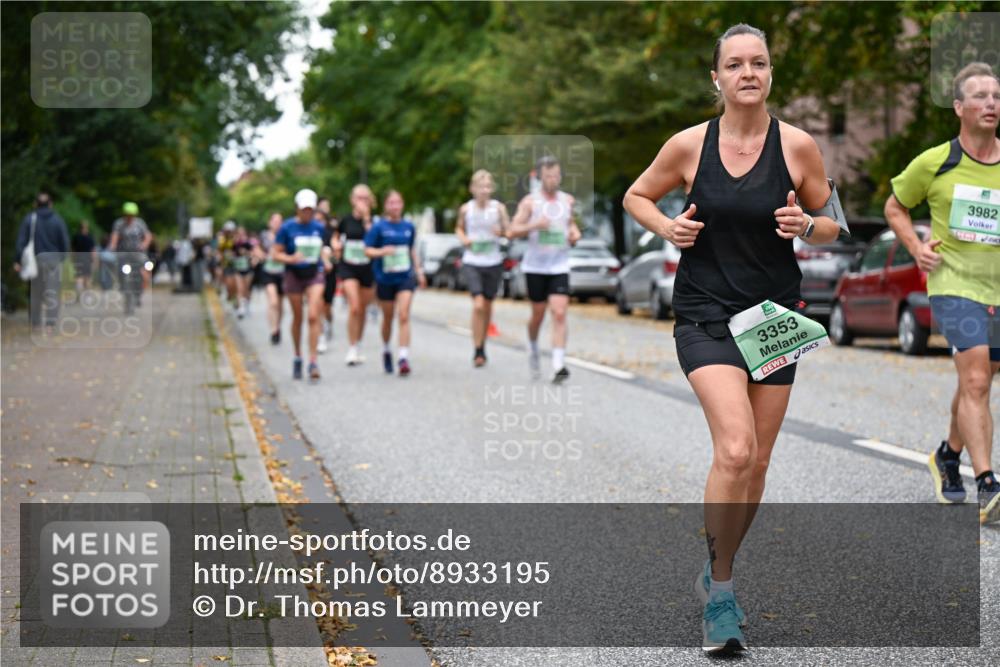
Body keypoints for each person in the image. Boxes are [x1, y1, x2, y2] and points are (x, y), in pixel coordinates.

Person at [623, 24, 845, 654]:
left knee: (759, 465)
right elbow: (636, 194)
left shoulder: (798, 147)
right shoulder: (689, 145)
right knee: (737, 448)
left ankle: (715, 569)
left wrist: (807, 224)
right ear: (715, 78)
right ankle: (721, 592)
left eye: (760, 63)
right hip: (705, 314)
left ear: (770, 74)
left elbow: (835, 225)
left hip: (774, 318)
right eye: (735, 64)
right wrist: (668, 226)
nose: (749, 73)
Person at [883, 62, 1000, 524]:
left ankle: (948, 455)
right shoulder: (936, 161)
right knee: (975, 379)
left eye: (996, 95)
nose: (991, 103)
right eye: (980, 96)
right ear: (958, 107)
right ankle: (987, 481)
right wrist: (916, 247)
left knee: (982, 377)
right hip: (953, 284)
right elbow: (895, 206)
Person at [508, 156, 582, 383]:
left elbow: (570, 226)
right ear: (539, 176)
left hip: (559, 265)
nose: (553, 179)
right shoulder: (530, 202)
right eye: (549, 175)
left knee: (559, 313)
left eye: (557, 175)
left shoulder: (567, 201)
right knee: (538, 314)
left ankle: (559, 363)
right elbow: (511, 231)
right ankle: (532, 344)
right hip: (535, 267)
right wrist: (534, 225)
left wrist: (574, 234)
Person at [364, 190, 426, 376]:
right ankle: (386, 349)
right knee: (388, 317)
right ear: (386, 205)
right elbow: (367, 251)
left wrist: (419, 271)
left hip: (405, 276)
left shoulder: (409, 226)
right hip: (385, 278)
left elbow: (411, 250)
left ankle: (403, 357)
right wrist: (382, 252)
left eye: (398, 202)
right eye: (391, 203)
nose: (395, 206)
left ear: (402, 204)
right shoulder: (378, 228)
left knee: (404, 314)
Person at [456, 170, 511, 367]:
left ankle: (482, 347)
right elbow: (459, 228)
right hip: (472, 261)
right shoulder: (466, 209)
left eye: (487, 187)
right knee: (478, 304)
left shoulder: (499, 209)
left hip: (493, 261)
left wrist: (503, 231)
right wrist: (464, 239)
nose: (484, 191)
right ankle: (476, 348)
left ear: (492, 189)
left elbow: (509, 231)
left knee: (487, 306)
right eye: (480, 187)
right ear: (472, 189)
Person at [274, 189, 326, 381]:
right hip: (294, 274)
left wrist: (326, 258)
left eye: (310, 209)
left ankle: (313, 361)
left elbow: (323, 249)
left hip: (314, 273)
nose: (307, 213)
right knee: (298, 317)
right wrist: (290, 258)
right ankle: (298, 355)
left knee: (313, 315)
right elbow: (275, 253)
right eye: (304, 209)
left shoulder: (319, 228)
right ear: (297, 208)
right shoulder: (287, 228)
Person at [13, 192, 70, 332]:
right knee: (52, 292)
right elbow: (64, 243)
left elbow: (21, 241)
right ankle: (50, 325)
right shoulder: (58, 220)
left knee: (35, 293)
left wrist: (17, 260)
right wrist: (62, 258)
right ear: (50, 204)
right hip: (53, 262)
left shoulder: (29, 219)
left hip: (35, 262)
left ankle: (36, 324)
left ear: (36, 204)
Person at [333, 184, 376, 366]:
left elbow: (374, 238)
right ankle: (351, 348)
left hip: (367, 268)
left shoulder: (374, 221)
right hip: (348, 266)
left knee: (363, 310)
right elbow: (335, 236)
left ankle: (358, 344)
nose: (362, 202)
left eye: (366, 198)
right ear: (352, 200)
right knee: (355, 307)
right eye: (359, 198)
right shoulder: (346, 220)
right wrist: (335, 244)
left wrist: (366, 219)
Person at [109, 202, 153, 312]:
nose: (129, 217)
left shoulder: (140, 223)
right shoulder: (119, 224)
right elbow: (115, 236)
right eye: (127, 215)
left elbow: (147, 236)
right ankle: (123, 287)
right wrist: (112, 245)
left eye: (131, 215)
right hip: (123, 254)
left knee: (144, 271)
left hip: (138, 253)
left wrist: (144, 244)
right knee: (120, 271)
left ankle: (139, 292)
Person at [260, 212, 286, 344]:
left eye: (280, 221)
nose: (277, 224)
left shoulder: (285, 235)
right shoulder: (264, 236)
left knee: (280, 305)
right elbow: (257, 250)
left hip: (282, 273)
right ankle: (273, 329)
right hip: (268, 271)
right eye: (275, 221)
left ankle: (278, 325)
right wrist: (263, 255)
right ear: (270, 223)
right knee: (273, 301)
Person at [316, 209, 338, 353]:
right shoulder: (309, 234)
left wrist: (330, 258)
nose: (318, 223)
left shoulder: (331, 234)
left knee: (327, 306)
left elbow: (336, 254)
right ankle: (320, 336)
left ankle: (329, 321)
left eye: (321, 220)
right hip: (313, 274)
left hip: (329, 274)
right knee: (317, 305)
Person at [231, 226, 255, 318]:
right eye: (239, 233)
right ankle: (241, 308)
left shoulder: (249, 244)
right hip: (238, 269)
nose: (241, 235)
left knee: (246, 288)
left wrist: (247, 253)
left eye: (242, 233)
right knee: (240, 288)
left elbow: (254, 254)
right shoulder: (235, 244)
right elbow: (232, 254)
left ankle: (247, 304)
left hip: (248, 269)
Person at [71, 220, 97, 292]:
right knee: (87, 277)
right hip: (87, 259)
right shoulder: (90, 237)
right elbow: (93, 251)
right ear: (87, 227)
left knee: (79, 276)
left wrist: (72, 259)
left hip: (78, 258)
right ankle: (86, 294)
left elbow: (73, 250)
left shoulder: (76, 236)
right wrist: (94, 261)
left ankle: (79, 293)